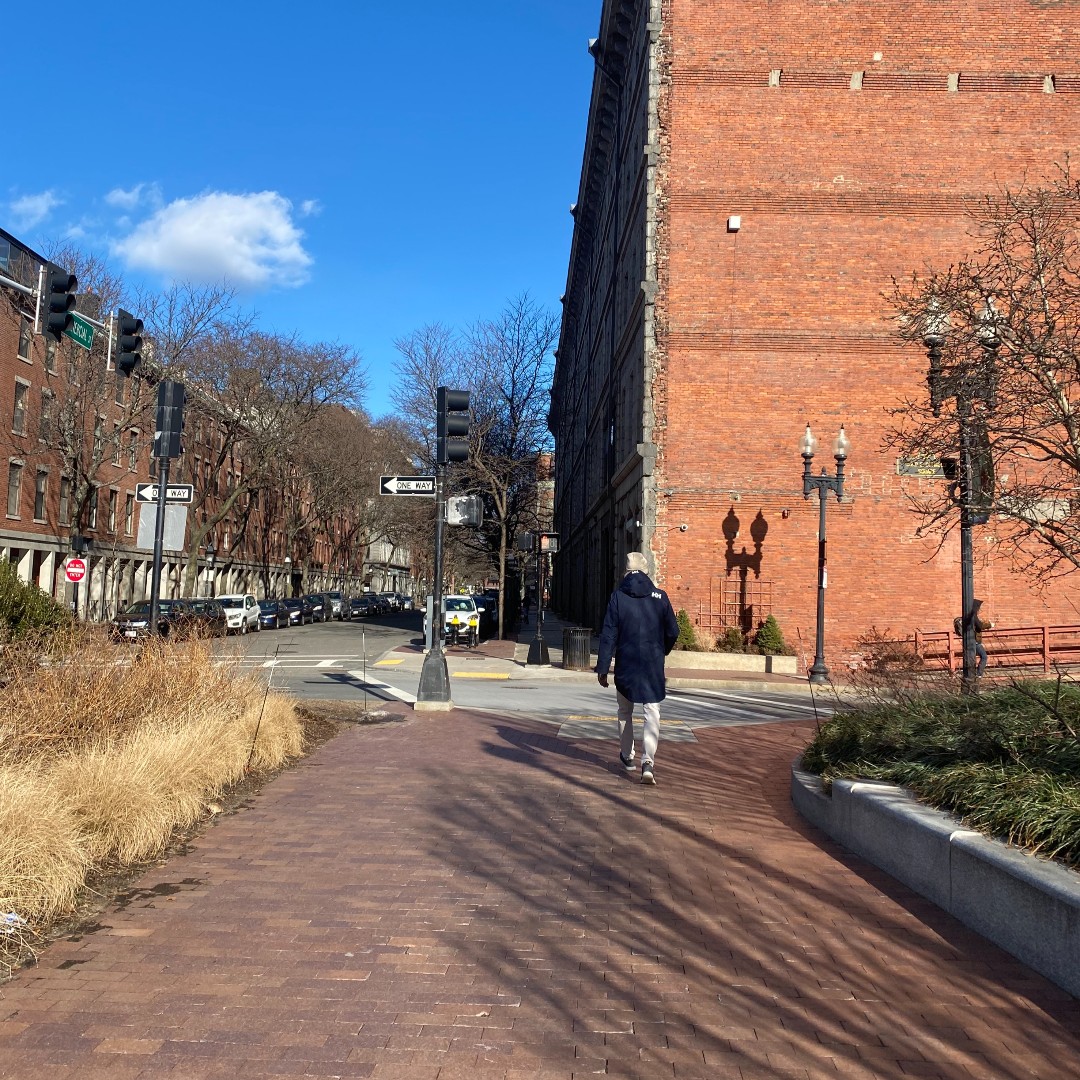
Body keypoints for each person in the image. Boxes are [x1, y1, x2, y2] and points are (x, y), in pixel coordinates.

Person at [595, 551, 679, 785]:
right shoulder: (660, 597)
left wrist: (603, 667)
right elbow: (673, 631)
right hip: (652, 664)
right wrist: (662, 649)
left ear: (626, 572)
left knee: (625, 711)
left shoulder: (618, 598)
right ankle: (648, 761)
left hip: (626, 663)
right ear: (645, 571)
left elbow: (609, 634)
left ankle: (627, 755)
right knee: (652, 712)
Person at [954, 599, 993, 677]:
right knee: (984, 656)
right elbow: (980, 626)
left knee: (971, 658)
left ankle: (971, 673)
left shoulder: (968, 616)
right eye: (979, 607)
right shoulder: (973, 616)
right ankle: (978, 674)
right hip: (974, 641)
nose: (979, 609)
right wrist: (990, 625)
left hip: (970, 641)